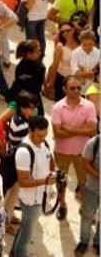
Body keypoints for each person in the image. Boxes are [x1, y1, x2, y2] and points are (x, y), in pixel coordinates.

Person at [52, 75, 98, 221]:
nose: (77, 90)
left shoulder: (89, 106)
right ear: (64, 89)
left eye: (79, 87)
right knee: (61, 182)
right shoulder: (58, 107)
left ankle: (83, 207)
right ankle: (62, 204)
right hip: (62, 151)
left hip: (83, 154)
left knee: (84, 183)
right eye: (72, 88)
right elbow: (58, 133)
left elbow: (92, 130)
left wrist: (69, 128)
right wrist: (81, 129)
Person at [10, 116, 56, 257]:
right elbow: (23, 182)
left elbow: (50, 161)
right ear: (30, 131)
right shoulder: (24, 152)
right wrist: (46, 181)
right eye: (39, 136)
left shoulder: (44, 143)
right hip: (30, 200)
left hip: (40, 196)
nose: (42, 138)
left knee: (24, 229)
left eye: (45, 135)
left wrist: (54, 173)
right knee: (27, 234)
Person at [76, 134, 100, 256]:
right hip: (92, 188)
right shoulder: (94, 143)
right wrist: (98, 175)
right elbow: (85, 163)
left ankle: (98, 243)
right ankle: (83, 242)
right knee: (87, 216)